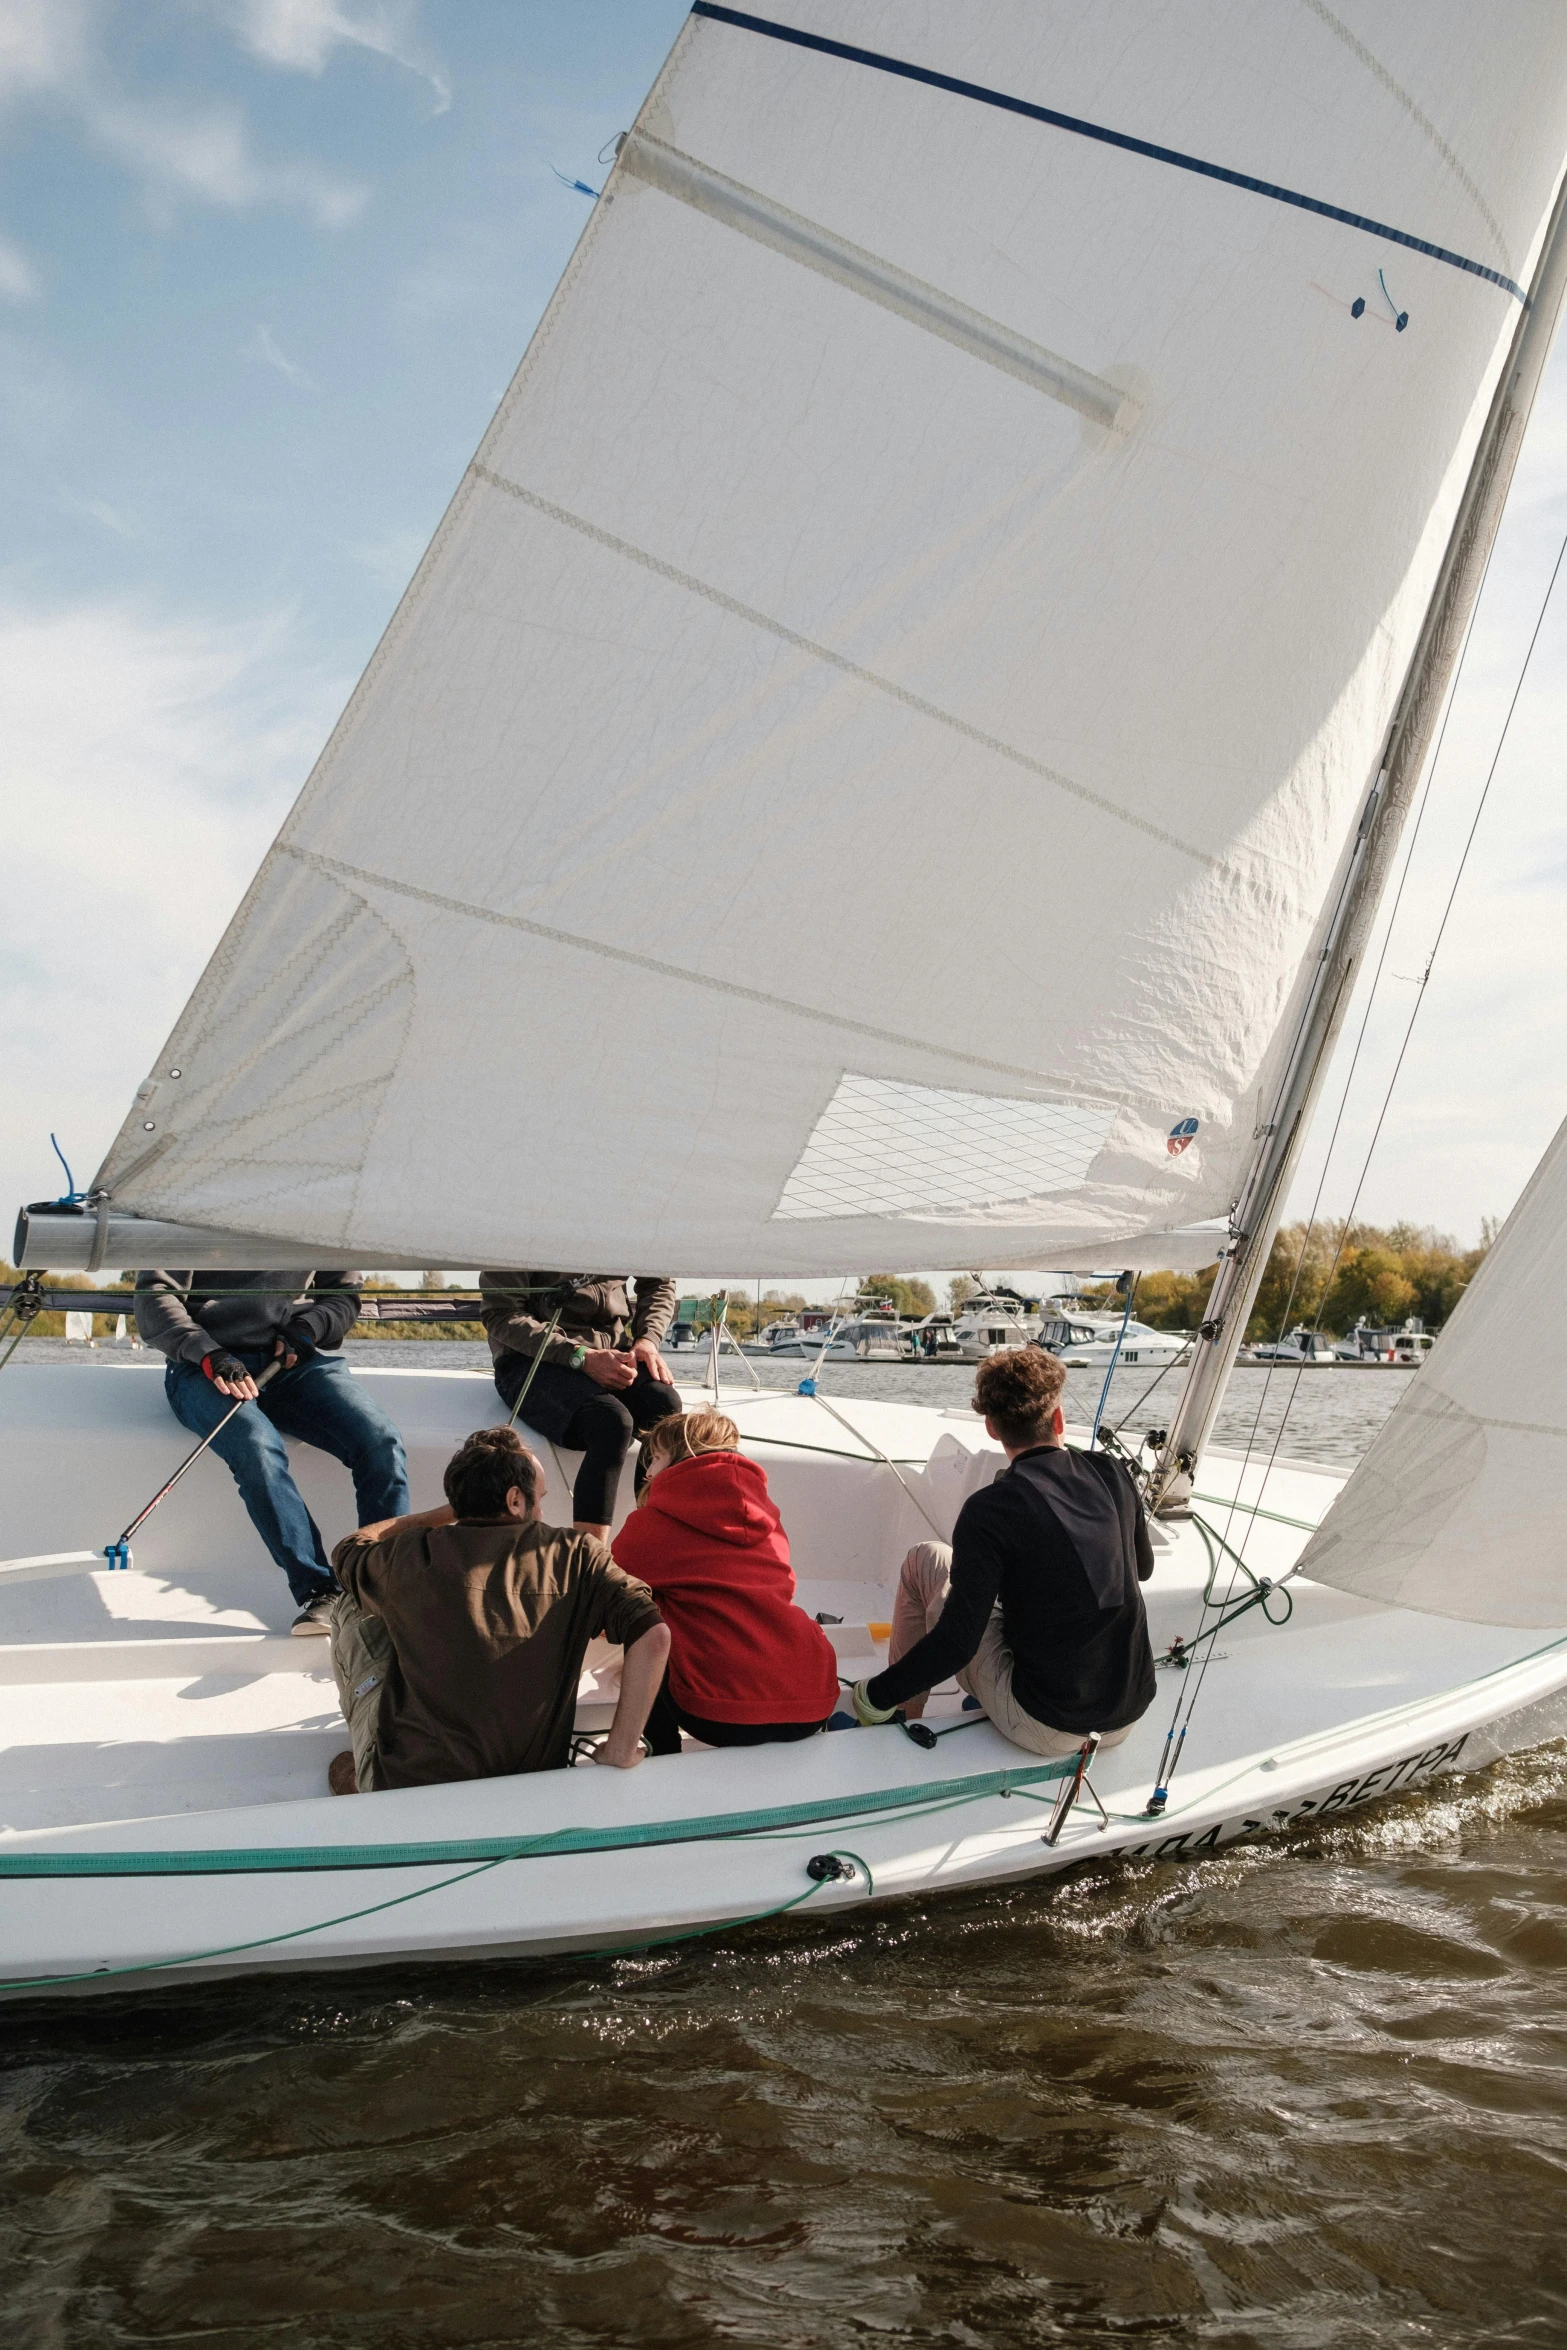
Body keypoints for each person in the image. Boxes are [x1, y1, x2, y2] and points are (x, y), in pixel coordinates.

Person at [327, 1424, 670, 1794]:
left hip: (412, 1782)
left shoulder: (411, 1554)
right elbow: (653, 1635)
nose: (541, 1509)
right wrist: (620, 1747)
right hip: (533, 1774)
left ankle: (364, 1770)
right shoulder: (578, 1554)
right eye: (538, 1498)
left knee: (349, 1602)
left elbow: (349, 1548)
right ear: (514, 1500)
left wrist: (447, 1513)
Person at [851, 1347, 1155, 1755]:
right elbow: (1144, 1568)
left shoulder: (990, 1509)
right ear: (1059, 1418)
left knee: (925, 1559)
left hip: (1049, 1725)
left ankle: (893, 1711)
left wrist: (871, 1693)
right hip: (1130, 1712)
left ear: (992, 1428)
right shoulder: (1112, 1472)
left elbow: (957, 1644)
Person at [134, 1268, 408, 1634]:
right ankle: (321, 1591)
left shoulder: (329, 1214)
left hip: (295, 1360)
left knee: (380, 1441)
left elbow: (343, 1297)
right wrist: (207, 1352)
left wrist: (310, 1326)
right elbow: (153, 1298)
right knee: (257, 1447)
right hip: (203, 1367)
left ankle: (379, 1591)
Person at [611, 1410, 840, 1754]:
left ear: (678, 1457)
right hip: (812, 1700)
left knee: (641, 1618)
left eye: (655, 1458)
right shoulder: (769, 1520)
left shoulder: (651, 1524)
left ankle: (659, 1751)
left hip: (718, 1715)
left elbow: (609, 1589)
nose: (647, 1470)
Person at [479, 1270, 682, 1537]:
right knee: (610, 1420)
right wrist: (580, 1357)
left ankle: (648, 1546)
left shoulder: (631, 1226)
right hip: (530, 1358)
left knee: (665, 1408)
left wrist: (648, 1338)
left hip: (612, 1350)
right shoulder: (514, 1230)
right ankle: (588, 1562)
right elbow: (501, 1314)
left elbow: (658, 1281)